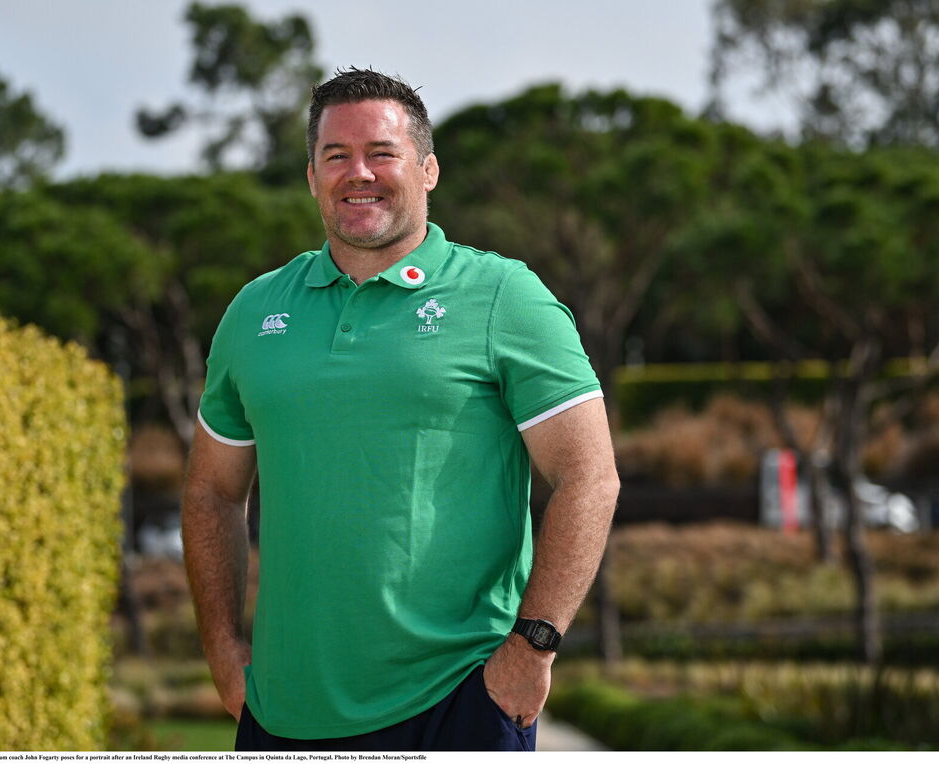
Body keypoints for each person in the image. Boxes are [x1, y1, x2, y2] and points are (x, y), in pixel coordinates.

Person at [181, 67, 620, 752]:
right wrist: (221, 645)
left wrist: (533, 645)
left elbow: (589, 475)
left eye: (381, 153)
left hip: (457, 702)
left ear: (428, 170)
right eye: (336, 156)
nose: (359, 173)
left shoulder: (504, 296)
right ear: (312, 177)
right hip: (281, 714)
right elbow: (211, 491)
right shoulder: (253, 312)